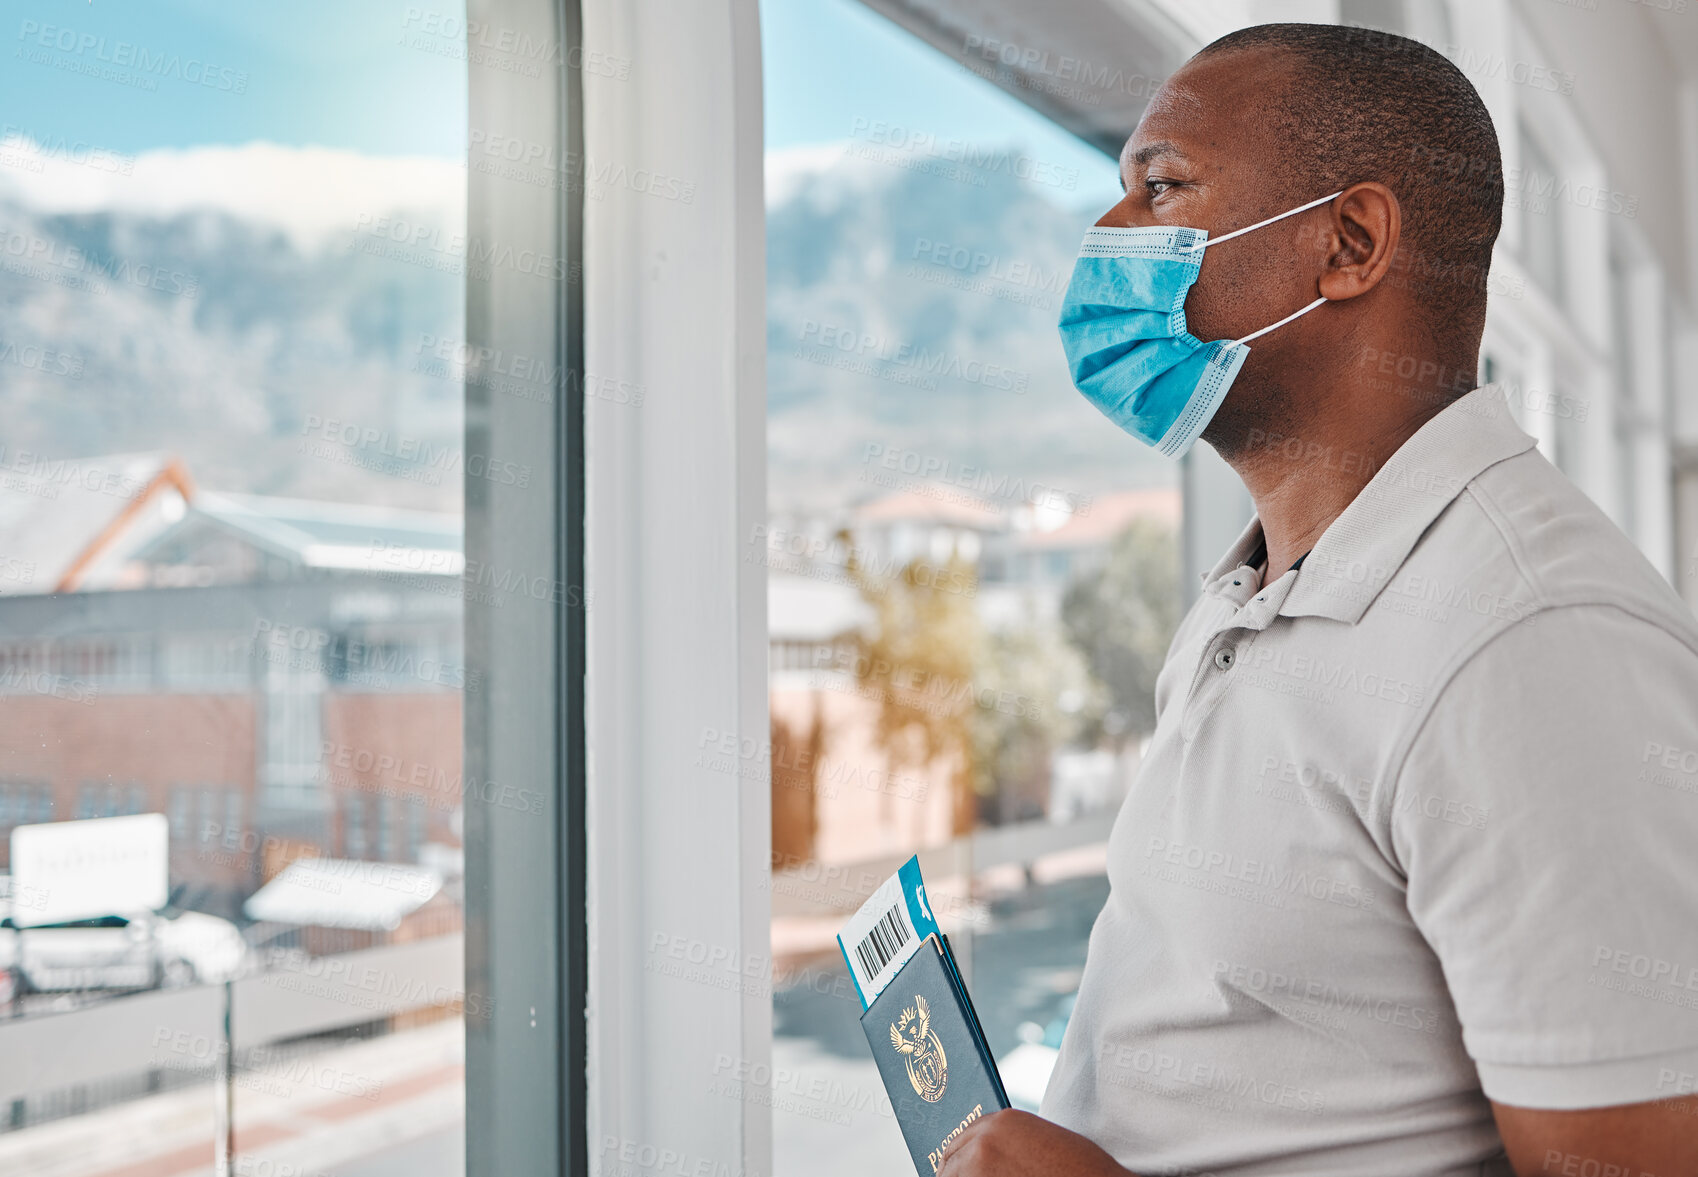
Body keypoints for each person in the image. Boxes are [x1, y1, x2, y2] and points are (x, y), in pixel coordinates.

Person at [938, 22, 1698, 1177]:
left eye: (1162, 187)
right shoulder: (1254, 593)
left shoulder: (1532, 643)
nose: (1107, 234)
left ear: (1348, 244)